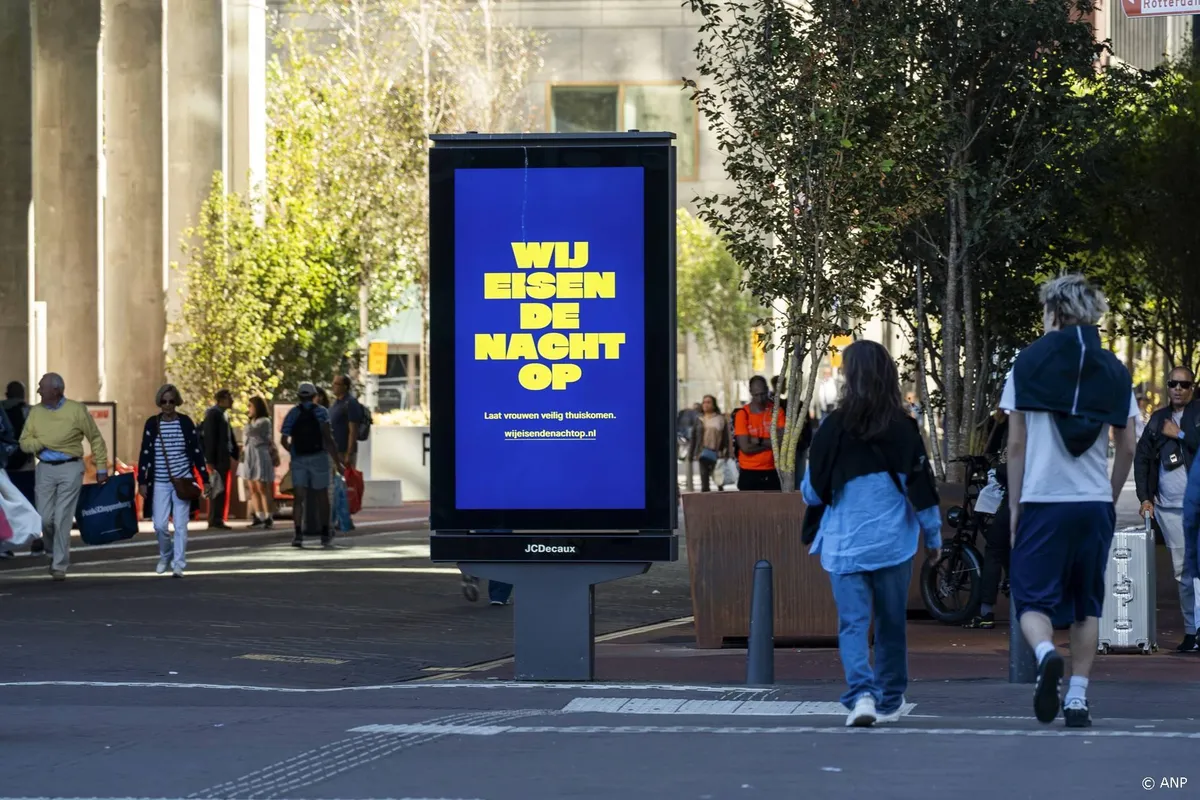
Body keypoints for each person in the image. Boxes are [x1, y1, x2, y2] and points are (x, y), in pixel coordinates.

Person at [1003, 273, 1137, 728]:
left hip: (1044, 499)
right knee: (1087, 605)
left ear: (1053, 311)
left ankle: (1045, 656)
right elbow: (1130, 444)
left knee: (1030, 598)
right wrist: (1110, 496)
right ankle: (1077, 698)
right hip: (1093, 502)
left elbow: (1016, 445)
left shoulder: (1027, 364)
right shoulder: (1114, 370)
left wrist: (1017, 506)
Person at [802, 340, 942, 727]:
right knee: (891, 622)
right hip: (893, 544)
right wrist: (934, 541)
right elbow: (922, 492)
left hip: (845, 545)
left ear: (849, 375)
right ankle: (891, 698)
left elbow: (813, 492)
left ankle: (861, 695)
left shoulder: (832, 428)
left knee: (852, 624)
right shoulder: (904, 428)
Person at [1134, 365, 1200, 652]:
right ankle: (1192, 631)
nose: (1178, 388)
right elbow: (1143, 458)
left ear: (1192, 388)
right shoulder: (1157, 419)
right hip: (1170, 509)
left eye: (1184, 385)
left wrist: (1182, 435)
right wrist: (1145, 498)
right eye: (1173, 383)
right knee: (1183, 572)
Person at [18, 373, 108, 581]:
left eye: (42, 387)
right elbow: (24, 442)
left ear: (56, 390)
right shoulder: (35, 412)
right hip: (45, 468)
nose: (39, 391)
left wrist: (101, 467)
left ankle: (59, 564)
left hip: (70, 466)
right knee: (44, 518)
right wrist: (39, 444)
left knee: (62, 517)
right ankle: (51, 549)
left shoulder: (76, 410)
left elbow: (95, 438)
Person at [136, 384, 207, 578]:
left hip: (182, 480)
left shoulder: (185, 423)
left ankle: (178, 564)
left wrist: (204, 478)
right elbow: (145, 452)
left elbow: (196, 451)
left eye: (171, 401)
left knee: (181, 525)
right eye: (164, 401)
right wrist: (142, 480)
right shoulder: (152, 424)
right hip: (159, 481)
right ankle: (166, 555)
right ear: (159, 402)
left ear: (177, 403)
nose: (167, 405)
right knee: (159, 524)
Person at [280, 383, 344, 548]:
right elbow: (328, 438)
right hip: (319, 458)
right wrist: (337, 462)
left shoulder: (293, 413)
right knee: (322, 496)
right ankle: (325, 532)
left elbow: (283, 439)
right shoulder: (321, 412)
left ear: (299, 396)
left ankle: (298, 534)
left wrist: (294, 452)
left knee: (299, 498)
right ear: (314, 395)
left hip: (299, 459)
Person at [733, 375, 784, 491]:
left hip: (772, 470)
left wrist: (757, 440)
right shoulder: (743, 414)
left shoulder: (776, 412)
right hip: (748, 471)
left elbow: (782, 442)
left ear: (767, 390)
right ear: (751, 393)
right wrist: (771, 444)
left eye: (762, 394)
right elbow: (745, 447)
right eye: (756, 395)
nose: (760, 399)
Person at [238, 396, 278, 530]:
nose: (248, 409)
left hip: (259, 455)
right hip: (249, 455)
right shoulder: (251, 422)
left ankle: (268, 516)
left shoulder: (264, 421)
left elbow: (251, 431)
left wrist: (248, 424)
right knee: (252, 487)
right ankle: (258, 515)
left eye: (250, 406)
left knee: (262, 486)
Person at [202, 389, 238, 530]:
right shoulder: (213, 414)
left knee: (221, 487)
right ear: (222, 399)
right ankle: (215, 519)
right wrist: (209, 459)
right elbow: (210, 438)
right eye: (229, 398)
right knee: (217, 487)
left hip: (224, 456)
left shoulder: (224, 415)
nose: (232, 401)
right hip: (217, 458)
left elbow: (229, 436)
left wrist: (234, 452)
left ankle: (218, 518)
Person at [689, 395, 730, 492]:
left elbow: (726, 438)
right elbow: (694, 438)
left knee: (719, 481)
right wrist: (691, 454)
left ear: (714, 405)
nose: (705, 404)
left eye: (708, 402)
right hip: (703, 453)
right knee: (704, 483)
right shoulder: (699, 419)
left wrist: (726, 452)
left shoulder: (720, 419)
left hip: (717, 454)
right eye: (704, 402)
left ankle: (721, 504)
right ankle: (705, 504)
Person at [330, 375, 366, 470]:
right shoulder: (336, 403)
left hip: (344, 452)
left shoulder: (350, 403)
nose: (333, 386)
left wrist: (349, 454)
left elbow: (353, 430)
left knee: (346, 481)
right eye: (333, 383)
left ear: (345, 386)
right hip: (335, 451)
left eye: (337, 384)